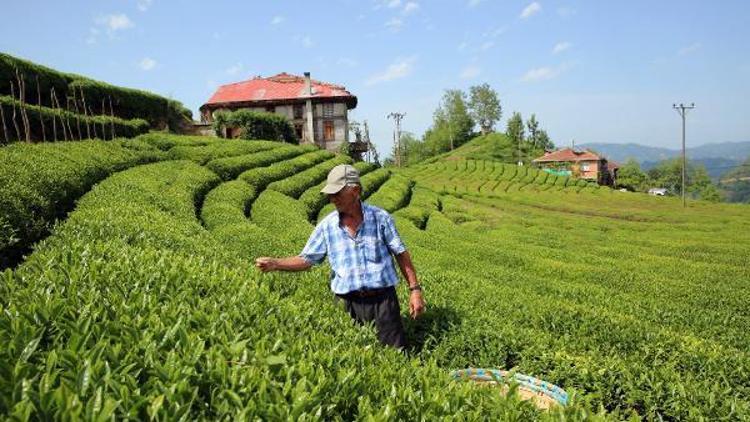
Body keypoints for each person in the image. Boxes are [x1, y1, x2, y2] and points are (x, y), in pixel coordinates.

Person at [255, 164, 426, 348]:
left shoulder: (380, 218)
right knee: (353, 357)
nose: (332, 199)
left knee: (395, 356)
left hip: (383, 302)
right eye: (330, 194)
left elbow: (400, 253)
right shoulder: (327, 226)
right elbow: (307, 259)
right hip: (346, 304)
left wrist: (415, 290)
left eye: (337, 193)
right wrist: (276, 263)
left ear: (355, 191)